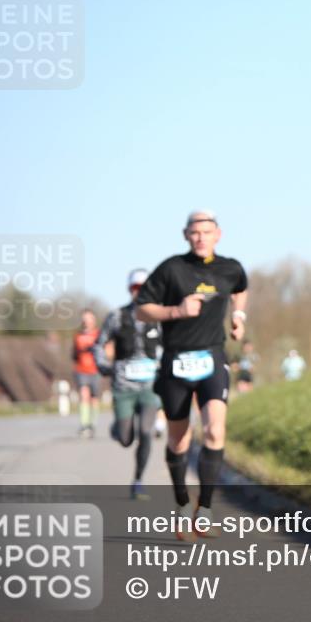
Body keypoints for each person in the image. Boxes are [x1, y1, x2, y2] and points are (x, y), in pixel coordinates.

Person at [136, 210, 248, 541]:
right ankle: (183, 504)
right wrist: (175, 311)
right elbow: (142, 309)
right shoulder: (172, 269)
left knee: (215, 430)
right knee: (179, 439)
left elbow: (241, 287)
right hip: (176, 362)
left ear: (218, 234)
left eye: (207, 231)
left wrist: (238, 316)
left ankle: (206, 510)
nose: (201, 237)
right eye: (195, 232)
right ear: (186, 235)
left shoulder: (230, 268)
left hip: (213, 357)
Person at [94, 268, 163, 501]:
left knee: (146, 431)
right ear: (130, 289)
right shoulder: (116, 316)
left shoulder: (159, 317)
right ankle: (119, 426)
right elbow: (99, 344)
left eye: (144, 287)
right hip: (123, 387)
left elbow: (172, 345)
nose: (139, 292)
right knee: (125, 440)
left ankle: (138, 481)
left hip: (150, 387)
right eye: (135, 288)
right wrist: (105, 367)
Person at [72, 309, 102, 438]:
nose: (86, 322)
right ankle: (84, 424)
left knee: (94, 398)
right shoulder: (77, 336)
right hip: (81, 370)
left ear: (93, 321)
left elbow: (105, 351)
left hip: (95, 370)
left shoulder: (99, 334)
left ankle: (92, 424)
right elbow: (74, 354)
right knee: (84, 395)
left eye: (89, 319)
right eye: (84, 319)